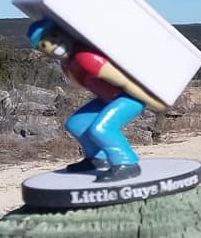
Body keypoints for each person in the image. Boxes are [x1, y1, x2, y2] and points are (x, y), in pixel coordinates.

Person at [26, 19, 166, 182]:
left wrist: (151, 100)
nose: (53, 45)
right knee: (77, 124)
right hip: (110, 98)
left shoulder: (86, 58)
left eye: (53, 37)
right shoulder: (68, 63)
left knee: (101, 129)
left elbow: (124, 81)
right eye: (44, 44)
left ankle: (127, 163)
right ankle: (97, 158)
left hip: (129, 97)